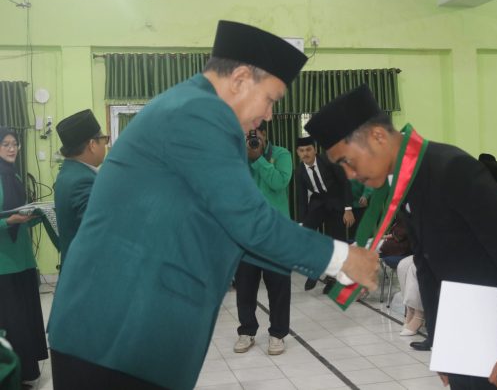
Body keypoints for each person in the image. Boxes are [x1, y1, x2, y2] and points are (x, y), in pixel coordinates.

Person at [47, 21, 379, 390]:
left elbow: (233, 231)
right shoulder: (199, 112)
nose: (270, 115)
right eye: (271, 99)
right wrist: (341, 258)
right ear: (240, 79)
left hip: (126, 332)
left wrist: (335, 267)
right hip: (116, 331)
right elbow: (250, 223)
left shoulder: (192, 108)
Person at [305, 85, 497, 390]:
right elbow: (428, 269)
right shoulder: (407, 180)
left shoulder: (452, 168)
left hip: (495, 333)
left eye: (347, 161)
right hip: (461, 337)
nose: (349, 175)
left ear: (377, 136)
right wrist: (441, 346)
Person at [233, 121, 292, 356]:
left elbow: (279, 182)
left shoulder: (281, 154)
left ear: (264, 134)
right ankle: (246, 331)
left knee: (279, 286)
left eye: (253, 133)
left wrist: (258, 159)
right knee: (245, 286)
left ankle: (277, 334)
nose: (250, 138)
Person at [0, 127, 48, 387]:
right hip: (4, 265)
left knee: (24, 321)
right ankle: (11, 377)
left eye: (15, 143)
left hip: (23, 259)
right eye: (5, 144)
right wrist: (9, 222)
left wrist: (36, 215)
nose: (12, 148)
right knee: (11, 322)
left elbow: (19, 215)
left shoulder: (15, 175)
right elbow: (8, 219)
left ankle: (25, 374)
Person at [295, 136, 354, 293]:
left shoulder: (329, 161)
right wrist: (301, 223)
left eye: (308, 149)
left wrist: (348, 209)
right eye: (302, 151)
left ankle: (333, 279)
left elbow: (345, 183)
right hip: (318, 204)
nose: (305, 153)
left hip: (336, 203)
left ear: (315, 150)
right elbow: (302, 198)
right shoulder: (299, 171)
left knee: (336, 242)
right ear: (297, 153)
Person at [54, 109, 108, 268]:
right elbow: (99, 231)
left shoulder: (68, 172)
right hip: (88, 271)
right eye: (104, 139)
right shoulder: (83, 180)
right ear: (92, 145)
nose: (106, 145)